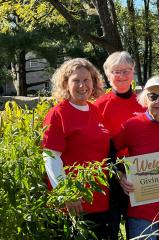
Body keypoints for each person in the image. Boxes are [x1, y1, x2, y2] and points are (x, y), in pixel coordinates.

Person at [42, 58, 112, 240]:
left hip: (98, 200)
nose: (82, 86)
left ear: (94, 82)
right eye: (76, 80)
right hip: (73, 204)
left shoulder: (95, 111)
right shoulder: (58, 114)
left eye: (86, 80)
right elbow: (50, 156)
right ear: (66, 84)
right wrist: (67, 193)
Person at [114, 76, 159, 240]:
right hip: (141, 212)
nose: (158, 101)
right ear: (144, 99)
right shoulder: (131, 125)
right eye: (152, 96)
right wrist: (120, 176)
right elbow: (109, 155)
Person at [94, 51, 145, 239]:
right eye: (116, 71)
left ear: (133, 72)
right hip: (111, 172)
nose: (122, 76)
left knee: (140, 228)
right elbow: (98, 147)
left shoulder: (144, 103)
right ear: (107, 75)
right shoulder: (99, 106)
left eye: (127, 71)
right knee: (111, 229)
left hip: (141, 171)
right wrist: (118, 173)